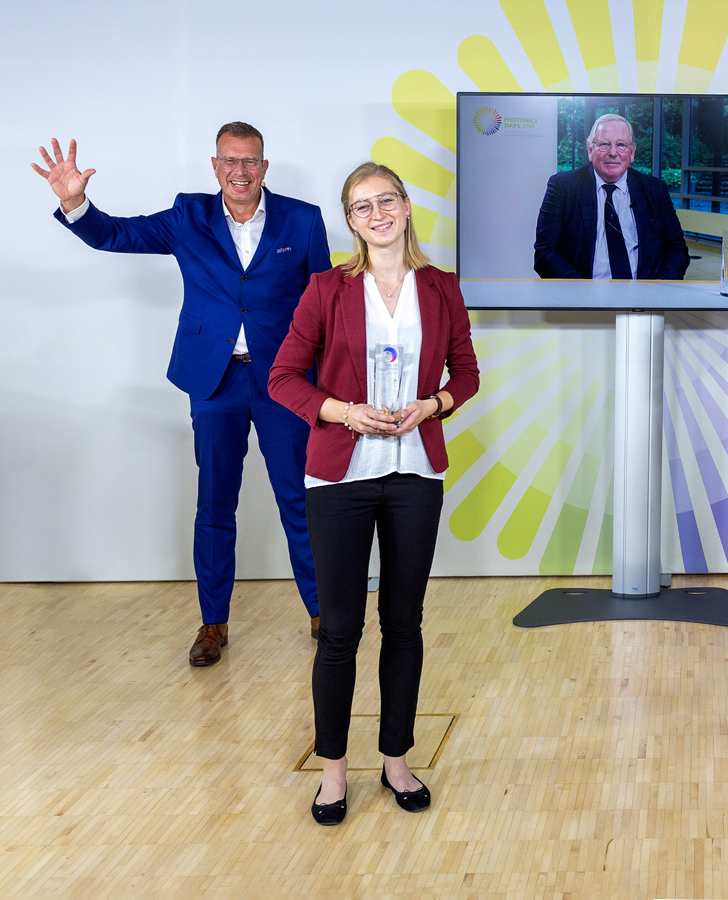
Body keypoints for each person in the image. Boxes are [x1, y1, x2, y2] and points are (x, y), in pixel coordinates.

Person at [32, 125, 329, 666]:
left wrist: (327, 384)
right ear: (215, 166)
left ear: (266, 166)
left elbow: (324, 304)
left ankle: (322, 613)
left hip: (285, 381)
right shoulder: (188, 215)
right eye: (230, 162)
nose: (241, 172)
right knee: (215, 504)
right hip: (213, 380)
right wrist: (75, 202)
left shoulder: (303, 219)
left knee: (301, 500)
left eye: (251, 162)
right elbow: (114, 235)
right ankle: (213, 623)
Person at [268, 163, 479, 825]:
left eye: (386, 200)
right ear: (350, 221)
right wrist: (339, 411)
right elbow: (282, 377)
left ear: (407, 206)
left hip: (416, 471)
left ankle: (395, 759)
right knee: (340, 631)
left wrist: (435, 404)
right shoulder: (326, 289)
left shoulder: (441, 287)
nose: (378, 213)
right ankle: (333, 772)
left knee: (404, 623)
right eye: (362, 207)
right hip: (340, 479)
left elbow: (467, 372)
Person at [532, 113, 689, 280]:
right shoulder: (563, 187)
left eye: (621, 145)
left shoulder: (654, 189)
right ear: (590, 150)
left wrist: (656, 290)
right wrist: (581, 295)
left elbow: (677, 249)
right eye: (604, 144)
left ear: (632, 152)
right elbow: (546, 251)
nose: (613, 152)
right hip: (583, 296)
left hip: (644, 296)